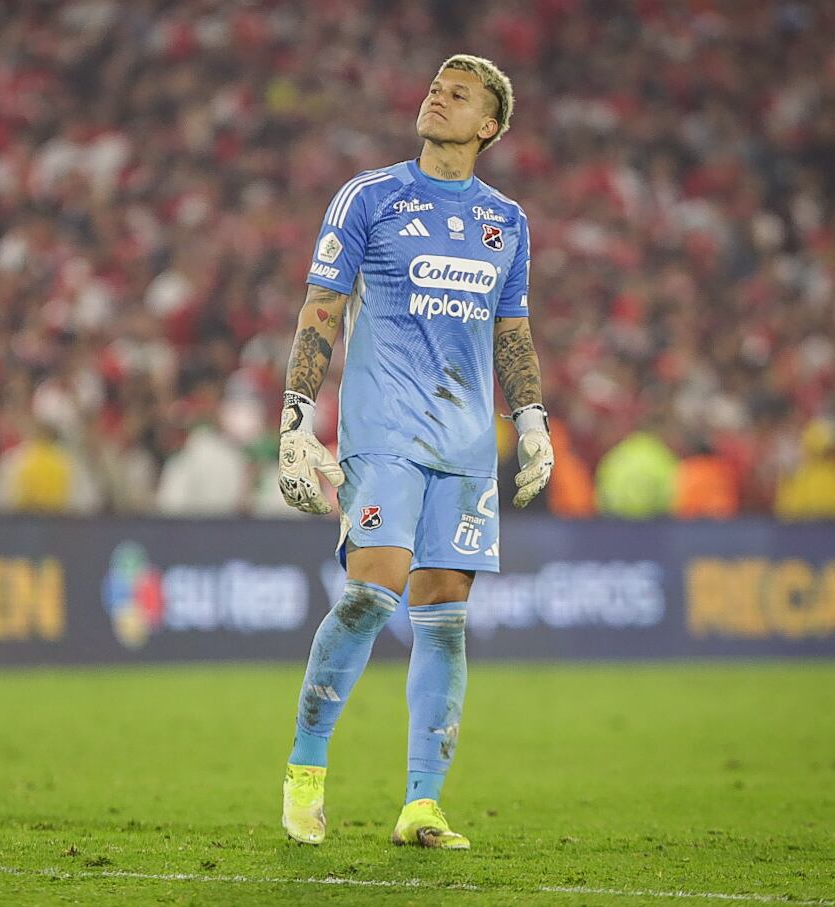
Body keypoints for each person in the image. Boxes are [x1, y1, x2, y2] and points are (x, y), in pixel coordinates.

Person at [275, 54, 552, 850]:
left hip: (466, 443)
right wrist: (296, 415)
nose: (437, 97)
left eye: (458, 94)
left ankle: (422, 805)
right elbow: (323, 307)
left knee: (444, 620)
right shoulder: (370, 196)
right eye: (435, 86)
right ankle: (306, 768)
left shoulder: (508, 221)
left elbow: (513, 330)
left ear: (487, 126)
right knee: (371, 593)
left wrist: (532, 420)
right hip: (384, 430)